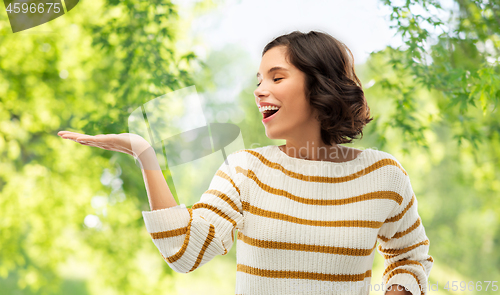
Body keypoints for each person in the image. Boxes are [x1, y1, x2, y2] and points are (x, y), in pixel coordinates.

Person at [58, 30, 433, 295]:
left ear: (319, 85)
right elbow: (185, 251)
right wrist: (144, 153)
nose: (259, 90)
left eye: (277, 76)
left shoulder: (383, 175)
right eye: (259, 79)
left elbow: (410, 258)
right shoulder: (246, 170)